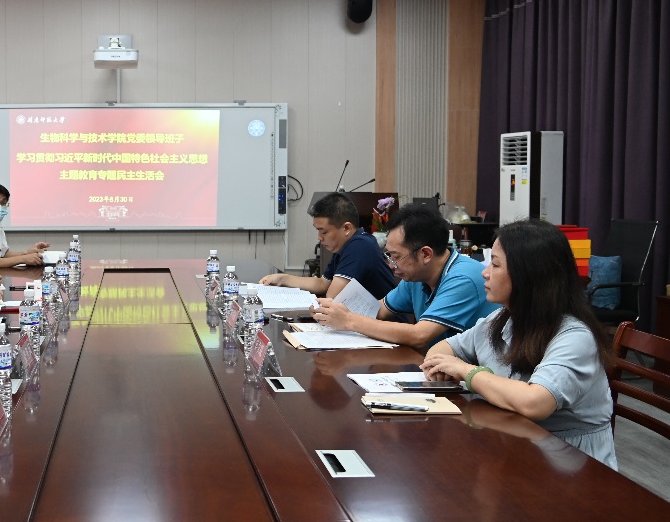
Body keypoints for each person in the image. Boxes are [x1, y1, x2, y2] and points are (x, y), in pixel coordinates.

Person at [420, 218, 617, 468]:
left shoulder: (575, 336)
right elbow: (442, 350)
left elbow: (535, 402)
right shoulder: (503, 318)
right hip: (515, 445)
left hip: (568, 461)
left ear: (529, 275)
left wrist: (469, 373)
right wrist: (443, 367)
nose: (485, 273)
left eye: (495, 264)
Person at [311, 203, 495, 347]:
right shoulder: (416, 276)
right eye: (389, 255)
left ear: (425, 254)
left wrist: (349, 320)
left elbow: (420, 335)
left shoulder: (463, 278)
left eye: (396, 256)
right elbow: (378, 310)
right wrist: (332, 311)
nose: (391, 265)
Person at [259, 192, 396, 299]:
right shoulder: (346, 246)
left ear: (346, 228)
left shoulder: (360, 245)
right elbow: (322, 283)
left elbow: (332, 296)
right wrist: (282, 279)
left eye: (323, 232)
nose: (319, 237)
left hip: (383, 323)